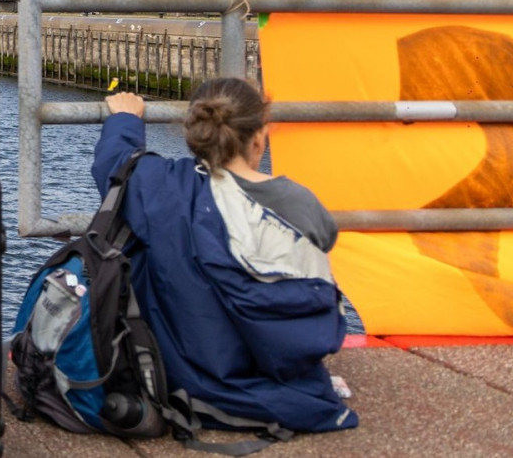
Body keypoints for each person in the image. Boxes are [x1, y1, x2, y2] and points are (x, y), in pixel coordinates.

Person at [97, 77, 356, 434]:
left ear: (195, 133)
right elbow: (325, 238)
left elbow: (115, 167)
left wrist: (126, 119)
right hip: (286, 392)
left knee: (147, 247)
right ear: (260, 136)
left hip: (183, 382)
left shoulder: (161, 185)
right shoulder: (298, 202)